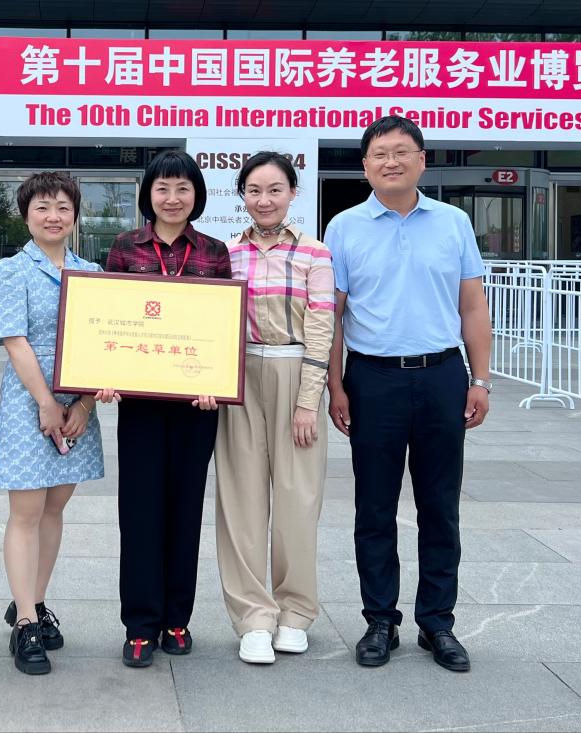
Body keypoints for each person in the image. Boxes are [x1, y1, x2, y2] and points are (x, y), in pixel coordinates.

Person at [325, 116, 492, 672]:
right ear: (365, 166)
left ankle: (437, 623)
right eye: (379, 154)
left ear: (422, 160)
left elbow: (472, 306)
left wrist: (480, 379)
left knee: (440, 505)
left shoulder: (453, 223)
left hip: (442, 374)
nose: (390, 162)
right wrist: (335, 385)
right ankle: (380, 620)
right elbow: (333, 316)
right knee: (374, 506)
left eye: (401, 152)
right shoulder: (344, 227)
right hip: (372, 380)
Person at [103, 150, 231, 668]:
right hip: (139, 403)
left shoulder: (215, 252)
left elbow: (221, 327)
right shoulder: (125, 246)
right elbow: (109, 318)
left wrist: (217, 380)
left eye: (182, 188)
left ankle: (177, 618)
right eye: (162, 188)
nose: (172, 198)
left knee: (185, 508)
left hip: (197, 405)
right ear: (148, 195)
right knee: (139, 512)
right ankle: (139, 624)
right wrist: (103, 374)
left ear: (196, 194)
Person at [214, 152, 334, 665]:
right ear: (242, 195)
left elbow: (322, 326)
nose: (264, 200)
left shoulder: (314, 252)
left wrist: (308, 401)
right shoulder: (226, 253)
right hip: (240, 376)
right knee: (240, 501)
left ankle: (295, 612)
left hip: (294, 370)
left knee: (297, 500)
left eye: (275, 190)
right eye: (254, 190)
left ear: (292, 193)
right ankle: (253, 618)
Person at [0, 172, 106, 675]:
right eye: (42, 207)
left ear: (75, 215)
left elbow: (105, 344)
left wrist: (83, 405)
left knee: (55, 507)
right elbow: (15, 343)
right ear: (25, 215)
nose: (53, 216)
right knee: (27, 511)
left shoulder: (93, 272)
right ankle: (25, 624)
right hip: (29, 407)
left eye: (62, 207)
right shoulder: (10, 271)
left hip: (78, 408)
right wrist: (47, 403)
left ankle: (32, 600)